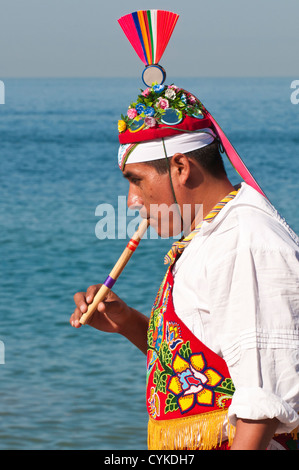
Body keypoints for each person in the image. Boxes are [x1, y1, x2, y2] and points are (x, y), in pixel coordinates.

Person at [70, 83, 299, 450]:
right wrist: (128, 322)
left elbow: (263, 406)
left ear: (180, 167)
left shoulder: (244, 241)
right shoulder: (211, 232)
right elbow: (204, 373)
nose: (131, 201)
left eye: (137, 181)